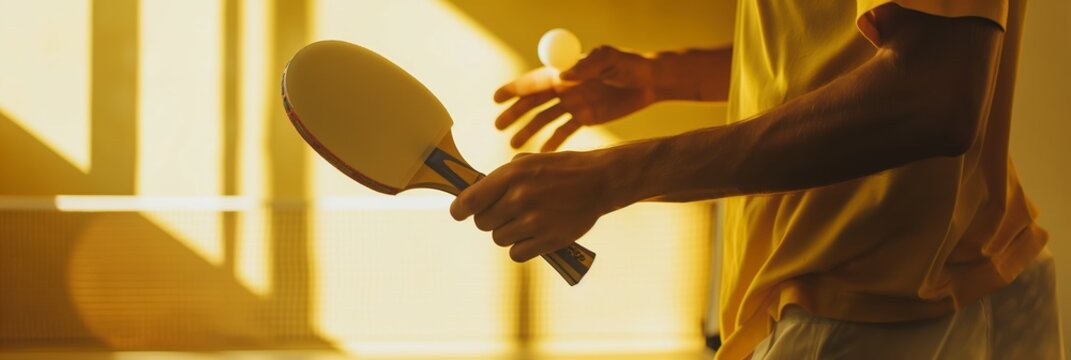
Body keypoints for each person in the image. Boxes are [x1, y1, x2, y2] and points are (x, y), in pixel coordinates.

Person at [450, 1, 1064, 359]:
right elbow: (846, 42)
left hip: (870, 309)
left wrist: (615, 176)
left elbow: (932, 94)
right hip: (984, 256)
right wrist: (664, 78)